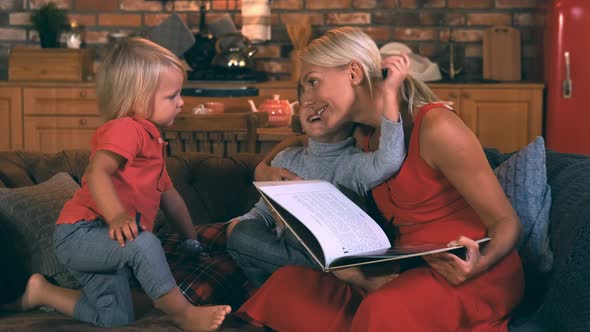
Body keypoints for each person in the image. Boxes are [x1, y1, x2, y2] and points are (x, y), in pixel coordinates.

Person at [236, 27, 524, 331]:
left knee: (382, 308)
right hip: (405, 271)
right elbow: (297, 144)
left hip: (470, 273)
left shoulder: (436, 127)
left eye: (313, 82)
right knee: (288, 284)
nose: (307, 98)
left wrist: (478, 265)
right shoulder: (362, 134)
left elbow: (507, 222)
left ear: (354, 73)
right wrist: (262, 171)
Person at [7, 38, 230, 332]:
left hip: (106, 241)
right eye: (172, 96)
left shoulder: (154, 141)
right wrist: (117, 216)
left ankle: (40, 292)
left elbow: (171, 198)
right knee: (143, 242)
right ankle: (181, 313)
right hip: (80, 235)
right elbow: (97, 171)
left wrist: (191, 242)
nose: (181, 102)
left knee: (114, 318)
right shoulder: (127, 129)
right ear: (138, 99)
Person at [225, 54, 409, 288]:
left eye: (322, 104)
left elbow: (390, 159)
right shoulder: (286, 158)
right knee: (240, 234)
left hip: (337, 254)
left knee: (309, 231)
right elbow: (262, 213)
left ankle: (343, 275)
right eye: (305, 103)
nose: (312, 106)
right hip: (293, 258)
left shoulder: (353, 163)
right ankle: (331, 276)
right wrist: (240, 223)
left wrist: (390, 94)